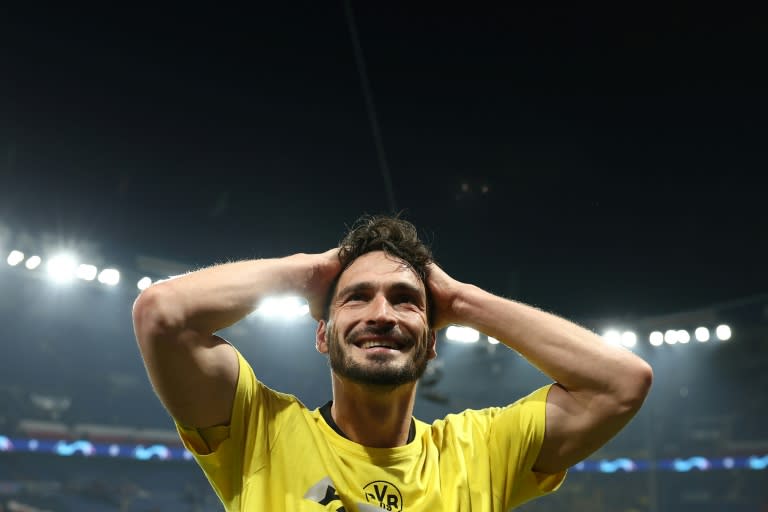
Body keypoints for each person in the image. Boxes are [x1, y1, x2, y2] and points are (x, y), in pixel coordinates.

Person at [132, 215, 653, 511]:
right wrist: (309, 271)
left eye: (406, 300)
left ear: (431, 342)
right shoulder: (259, 433)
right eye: (356, 298)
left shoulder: (481, 452)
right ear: (322, 334)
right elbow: (162, 314)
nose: (381, 314)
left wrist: (464, 301)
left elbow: (621, 383)